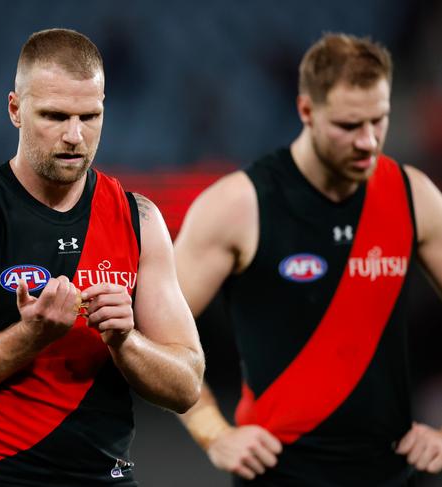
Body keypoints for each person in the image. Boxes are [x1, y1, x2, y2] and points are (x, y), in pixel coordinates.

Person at [0, 28, 204, 487]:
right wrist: (30, 336)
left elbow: (186, 386)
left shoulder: (139, 219)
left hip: (107, 477)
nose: (75, 136)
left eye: (90, 115)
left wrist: (125, 340)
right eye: (55, 116)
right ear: (15, 110)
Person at [175, 33, 442, 486]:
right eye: (348, 125)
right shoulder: (240, 205)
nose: (368, 141)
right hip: (279, 477)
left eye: (379, 121)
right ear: (306, 111)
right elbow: (155, 334)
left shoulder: (412, 195)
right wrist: (213, 433)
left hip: (395, 476)